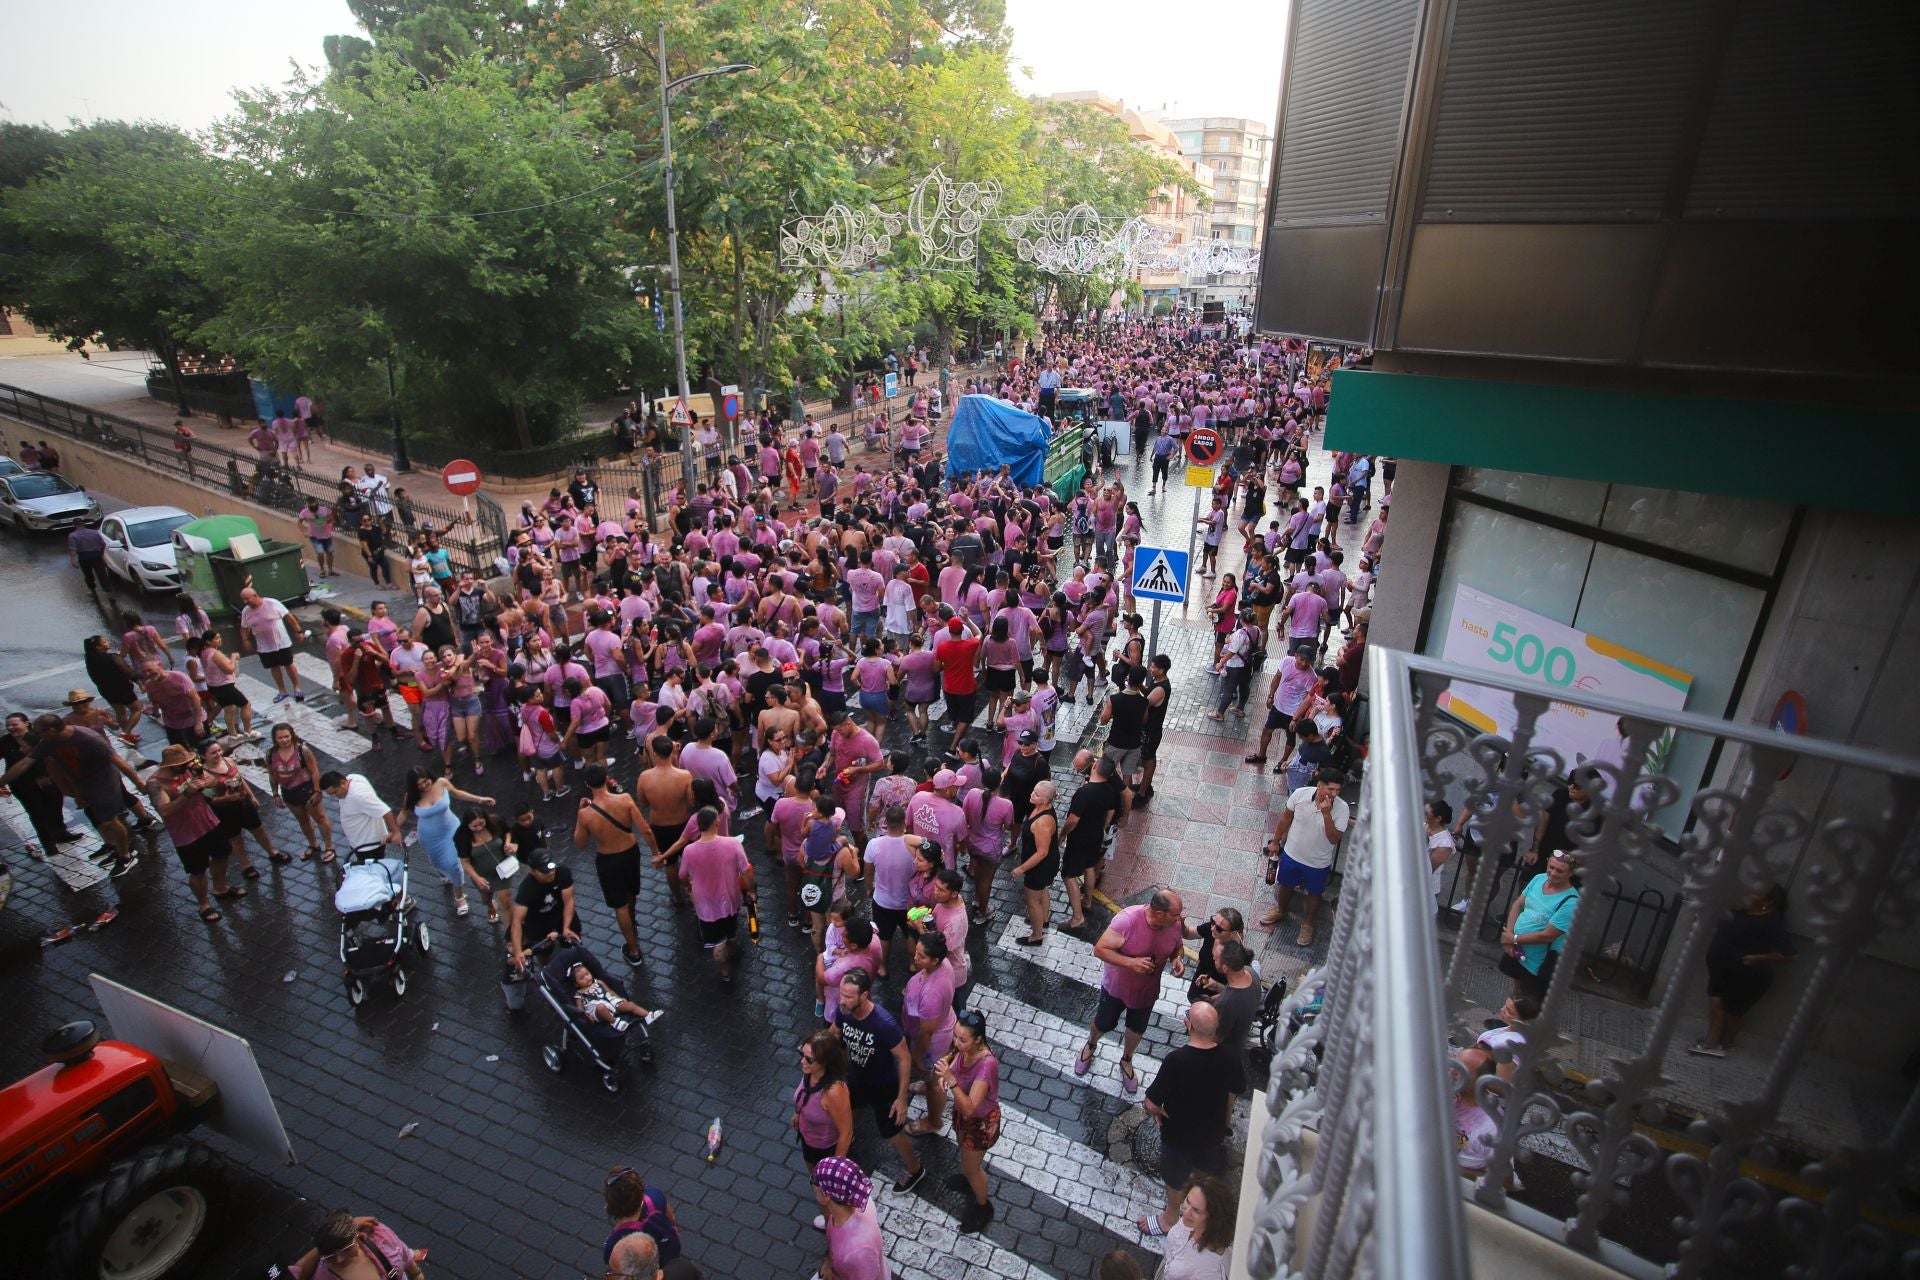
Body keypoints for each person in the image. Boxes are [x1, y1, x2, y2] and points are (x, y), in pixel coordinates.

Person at [1138, 1003, 1243, 1238]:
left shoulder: (1176, 1061)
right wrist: (1225, 1123)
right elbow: (1233, 1093)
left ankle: (1170, 1218)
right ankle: (1203, 1214)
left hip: (1178, 1136)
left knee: (1175, 1178)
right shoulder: (1230, 1057)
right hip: (1213, 1132)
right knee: (1207, 1175)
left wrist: (1157, 1112)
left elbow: (1151, 1103)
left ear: (1190, 1026)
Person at [0, 714, 147, 875]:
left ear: (51, 730)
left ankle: (126, 855)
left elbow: (118, 761)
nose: (37, 736)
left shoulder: (88, 738)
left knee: (109, 820)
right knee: (98, 818)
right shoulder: (48, 741)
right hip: (82, 783)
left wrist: (139, 782)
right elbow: (25, 763)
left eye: (39, 732)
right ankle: (116, 849)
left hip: (104, 783)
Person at [1076, 889, 1186, 1095]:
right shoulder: (1127, 921)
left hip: (1147, 991)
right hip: (1116, 988)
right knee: (1103, 1023)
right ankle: (1090, 1045)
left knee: (1136, 1029)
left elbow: (1176, 947)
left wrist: (1176, 959)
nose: (1179, 918)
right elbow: (1100, 949)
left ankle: (1126, 1059)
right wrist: (1131, 963)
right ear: (1160, 913)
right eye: (1175, 914)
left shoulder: (1174, 925)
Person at [833, 968, 925, 1193]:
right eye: (841, 994)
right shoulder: (844, 1011)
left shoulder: (884, 1024)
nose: (842, 1000)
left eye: (848, 996)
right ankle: (848, 1138)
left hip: (884, 1087)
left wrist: (902, 1099)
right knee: (849, 1109)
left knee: (891, 1133)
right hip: (856, 1077)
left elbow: (904, 1058)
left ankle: (915, 1169)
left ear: (864, 996)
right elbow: (835, 1032)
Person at [1689, 884, 1795, 1057]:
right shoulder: (1740, 910)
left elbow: (1790, 954)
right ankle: (1713, 1041)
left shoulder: (1771, 922)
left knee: (1732, 1011)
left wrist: (1758, 958)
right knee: (1717, 1005)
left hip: (1747, 975)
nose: (1749, 894)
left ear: (1767, 903)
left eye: (1755, 893)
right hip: (1722, 969)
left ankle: (1720, 1043)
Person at [146, 743, 239, 923]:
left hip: (208, 821)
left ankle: (221, 887)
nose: (188, 765)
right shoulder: (156, 784)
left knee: (222, 853)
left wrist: (204, 782)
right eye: (184, 763)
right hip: (186, 834)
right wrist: (187, 794)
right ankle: (204, 904)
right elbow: (164, 810)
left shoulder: (189, 770)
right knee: (197, 870)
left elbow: (210, 779)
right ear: (171, 766)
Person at [1257, 769, 1350, 947]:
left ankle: (1308, 924)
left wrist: (1326, 814)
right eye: (1330, 789)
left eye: (1338, 790)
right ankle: (1281, 910)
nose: (1334, 794)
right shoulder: (1300, 794)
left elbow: (1334, 838)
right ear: (1319, 785)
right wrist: (1276, 841)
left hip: (1318, 862)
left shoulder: (1342, 808)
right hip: (1292, 853)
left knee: (1314, 894)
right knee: (1285, 884)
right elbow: (1285, 818)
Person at [933, 1008, 1002, 1234]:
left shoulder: (986, 1065)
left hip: (978, 1122)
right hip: (962, 1116)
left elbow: (971, 1107)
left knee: (973, 1169)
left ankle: (983, 1205)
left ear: (978, 1040)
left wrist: (950, 1081)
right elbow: (955, 1062)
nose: (956, 1043)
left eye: (962, 1039)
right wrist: (948, 1075)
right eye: (955, 1036)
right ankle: (967, 1177)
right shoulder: (965, 1050)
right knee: (964, 1152)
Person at [574, 764, 648, 965]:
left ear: (587, 784)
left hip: (608, 859)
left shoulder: (585, 814)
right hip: (631, 853)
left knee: (619, 904)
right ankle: (632, 923)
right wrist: (657, 852)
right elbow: (645, 829)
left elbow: (580, 844)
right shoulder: (624, 799)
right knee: (631, 892)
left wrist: (580, 814)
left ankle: (633, 950)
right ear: (607, 778)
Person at [678, 805, 755, 986]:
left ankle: (726, 975)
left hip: (705, 906)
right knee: (731, 929)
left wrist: (689, 887)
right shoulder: (732, 844)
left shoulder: (689, 851)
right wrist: (751, 891)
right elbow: (746, 872)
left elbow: (682, 875)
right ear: (717, 823)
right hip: (730, 899)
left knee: (716, 944)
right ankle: (734, 949)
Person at [404, 764, 493, 917]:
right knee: (436, 862)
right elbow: (403, 813)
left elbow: (457, 793)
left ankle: (459, 896)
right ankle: (443, 874)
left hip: (451, 830)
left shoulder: (441, 782)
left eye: (426, 782)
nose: (424, 787)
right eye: (419, 785)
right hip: (429, 837)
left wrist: (480, 799)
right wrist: (392, 831)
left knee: (454, 865)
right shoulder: (411, 796)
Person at [791, 1029, 854, 1229]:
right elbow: (804, 1095)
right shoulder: (810, 1073)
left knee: (824, 1192)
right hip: (809, 1141)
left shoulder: (834, 1091)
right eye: (802, 1054)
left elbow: (846, 1133)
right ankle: (829, 1219)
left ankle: (833, 1228)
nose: (803, 1061)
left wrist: (835, 1168)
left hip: (825, 1150)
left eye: (809, 1059)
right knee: (815, 1183)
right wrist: (798, 1113)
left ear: (824, 1063)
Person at [1498, 850, 1580, 1003]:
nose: (1553, 873)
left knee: (1531, 1000)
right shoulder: (1538, 878)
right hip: (1518, 950)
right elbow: (1518, 904)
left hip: (1538, 960)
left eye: (1560, 871)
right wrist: (1510, 934)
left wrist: (1513, 938)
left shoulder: (1571, 902)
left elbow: (1548, 935)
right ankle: (1509, 1023)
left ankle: (1519, 1025)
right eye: (1551, 867)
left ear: (1571, 873)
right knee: (1517, 988)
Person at [1060, 755, 1122, 930]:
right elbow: (1110, 814)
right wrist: (1100, 827)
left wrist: (1062, 834)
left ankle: (1077, 917)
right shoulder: (1109, 790)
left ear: (1094, 766)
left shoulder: (1084, 792)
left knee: (1068, 875)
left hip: (1079, 838)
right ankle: (1087, 900)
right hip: (1096, 835)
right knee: (1089, 867)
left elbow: (1072, 820)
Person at [811, 1156, 891, 1280]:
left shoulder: (858, 1253)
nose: (811, 1183)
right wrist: (828, 1266)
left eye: (814, 1181)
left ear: (826, 1196)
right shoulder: (862, 1203)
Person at [294, 1209, 425, 1280]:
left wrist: (416, 1275)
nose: (338, 1259)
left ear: (359, 1236)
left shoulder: (380, 1237)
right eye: (329, 1256)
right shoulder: (324, 1272)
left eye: (345, 1249)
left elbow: (402, 1252)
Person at [271, 724, 337, 861]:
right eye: (280, 738)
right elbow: (272, 774)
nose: (284, 740)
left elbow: (314, 771)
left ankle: (329, 847)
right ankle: (313, 845)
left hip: (306, 789)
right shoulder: (271, 754)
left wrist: (317, 790)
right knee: (303, 820)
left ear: (292, 735)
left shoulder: (302, 750)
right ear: (275, 739)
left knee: (320, 818)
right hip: (288, 791)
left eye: (286, 736)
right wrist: (275, 794)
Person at [508, 848, 581, 970]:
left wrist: (566, 927)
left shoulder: (562, 872)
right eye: (545, 872)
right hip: (537, 920)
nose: (551, 873)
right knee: (542, 949)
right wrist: (518, 951)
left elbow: (569, 902)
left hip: (559, 911)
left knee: (572, 937)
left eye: (552, 868)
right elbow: (516, 922)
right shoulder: (527, 889)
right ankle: (547, 968)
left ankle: (575, 963)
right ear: (533, 872)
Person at [1154, 1174, 1236, 1280]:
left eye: (1197, 1210)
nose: (1186, 1212)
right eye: (1188, 1201)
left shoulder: (1211, 1271)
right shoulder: (1191, 1223)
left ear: (1212, 1219)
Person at [1008, 779, 1059, 946]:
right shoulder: (1042, 808)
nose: (1032, 794)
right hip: (1044, 864)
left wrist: (1021, 868)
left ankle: (1036, 936)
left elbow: (1042, 852)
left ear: (1045, 800)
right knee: (1042, 891)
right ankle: (1043, 921)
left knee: (1032, 901)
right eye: (1033, 791)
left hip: (1040, 866)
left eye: (1036, 794)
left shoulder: (1042, 822)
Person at [603, 1166, 683, 1267]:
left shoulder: (615, 1242)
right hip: (669, 1258)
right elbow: (671, 1218)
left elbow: (613, 1268)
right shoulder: (654, 1195)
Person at [238, 587, 307, 703]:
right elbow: (244, 627)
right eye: (243, 600)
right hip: (264, 646)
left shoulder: (272, 603)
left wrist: (298, 631)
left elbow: (289, 617)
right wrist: (245, 640)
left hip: (281, 643)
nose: (245, 602)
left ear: (255, 596)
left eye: (247, 599)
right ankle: (282, 691)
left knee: (288, 664)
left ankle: (297, 688)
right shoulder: (246, 611)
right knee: (274, 667)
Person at [321, 770, 401, 861]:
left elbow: (385, 811)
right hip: (359, 842)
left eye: (334, 792)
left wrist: (396, 832)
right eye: (330, 794)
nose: (333, 796)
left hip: (368, 846)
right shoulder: (353, 777)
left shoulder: (359, 796)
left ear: (343, 783)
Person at [456, 810, 516, 925]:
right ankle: (490, 907)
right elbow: (465, 861)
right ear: (467, 825)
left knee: (505, 902)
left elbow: (508, 832)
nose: (479, 828)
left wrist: (508, 843)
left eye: (482, 824)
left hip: (502, 870)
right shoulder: (463, 838)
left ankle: (510, 935)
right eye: (474, 826)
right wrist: (477, 878)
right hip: (481, 874)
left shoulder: (494, 823)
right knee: (486, 898)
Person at [1452, 1047, 1500, 1177]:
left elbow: (1504, 1181)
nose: (1451, 1071)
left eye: (1461, 1071)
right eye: (1455, 1064)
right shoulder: (1447, 1092)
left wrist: (1450, 1169)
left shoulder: (1492, 1128)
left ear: (1482, 1081)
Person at [67, 520, 109, 593]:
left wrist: (73, 560)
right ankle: (108, 591)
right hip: (96, 555)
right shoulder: (94, 532)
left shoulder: (73, 536)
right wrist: (101, 554)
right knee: (102, 574)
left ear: (74, 525)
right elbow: (103, 544)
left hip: (84, 557)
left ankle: (92, 590)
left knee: (88, 575)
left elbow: (73, 549)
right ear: (84, 524)